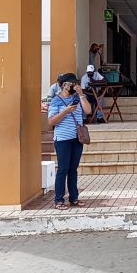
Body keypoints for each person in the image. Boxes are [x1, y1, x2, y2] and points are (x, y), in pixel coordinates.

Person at [47, 73, 92, 210]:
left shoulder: (77, 98)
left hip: (76, 138)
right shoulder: (56, 101)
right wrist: (65, 112)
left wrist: (81, 94)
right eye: (72, 84)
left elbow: (88, 110)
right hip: (62, 139)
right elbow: (51, 121)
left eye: (76, 84)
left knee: (73, 169)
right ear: (65, 85)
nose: (75, 86)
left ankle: (74, 198)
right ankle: (59, 200)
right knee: (63, 169)